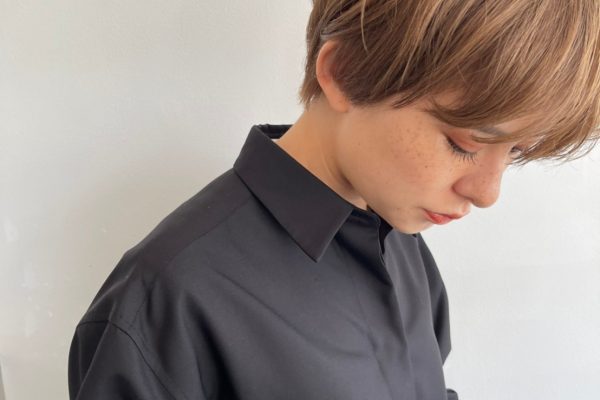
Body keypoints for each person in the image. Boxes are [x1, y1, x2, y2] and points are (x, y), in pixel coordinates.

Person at [68, 1, 600, 399]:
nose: (487, 193)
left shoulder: (404, 245)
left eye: (517, 151)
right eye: (466, 143)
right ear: (344, 73)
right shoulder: (164, 299)